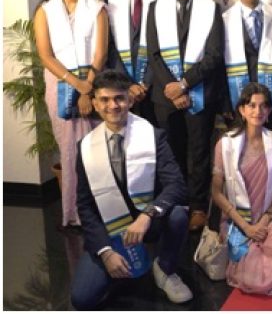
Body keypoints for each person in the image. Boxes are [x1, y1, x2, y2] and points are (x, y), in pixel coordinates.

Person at [70, 70, 191, 309]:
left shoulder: (152, 136)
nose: (113, 105)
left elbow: (176, 184)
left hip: (148, 222)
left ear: (130, 100)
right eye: (105, 99)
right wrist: (105, 252)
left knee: (178, 214)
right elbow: (85, 205)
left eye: (119, 98)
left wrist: (148, 214)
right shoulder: (85, 146)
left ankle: (164, 269)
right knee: (82, 299)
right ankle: (117, 263)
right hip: (111, 228)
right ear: (95, 103)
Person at [146, 0, 225, 231]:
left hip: (198, 93)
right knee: (171, 152)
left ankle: (198, 207)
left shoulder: (210, 7)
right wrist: (172, 89)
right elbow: (153, 53)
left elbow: (214, 55)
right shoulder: (156, 7)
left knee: (199, 153)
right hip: (165, 96)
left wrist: (184, 85)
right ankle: (175, 203)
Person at [34, 0, 108, 227]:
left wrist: (87, 90)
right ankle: (75, 214)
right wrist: (76, 84)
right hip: (60, 84)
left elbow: (100, 53)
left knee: (95, 150)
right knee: (68, 150)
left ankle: (101, 212)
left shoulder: (97, 8)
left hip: (94, 83)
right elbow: (45, 55)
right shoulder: (45, 10)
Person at [210, 83, 272, 296]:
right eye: (251, 105)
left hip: (267, 218)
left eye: (263, 106)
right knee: (253, 265)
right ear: (242, 110)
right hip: (237, 221)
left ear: (270, 111)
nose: (257, 111)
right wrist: (245, 226)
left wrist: (264, 220)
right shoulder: (225, 143)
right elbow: (216, 191)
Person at [105, 0, 164, 123]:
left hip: (153, 83)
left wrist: (146, 82)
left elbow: (165, 44)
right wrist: (128, 83)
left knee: (154, 130)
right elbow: (109, 45)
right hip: (122, 82)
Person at [222, 0, 272, 131]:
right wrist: (225, 102)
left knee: (271, 138)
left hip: (270, 91)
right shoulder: (224, 19)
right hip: (238, 92)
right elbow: (219, 63)